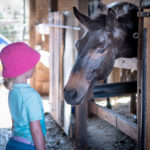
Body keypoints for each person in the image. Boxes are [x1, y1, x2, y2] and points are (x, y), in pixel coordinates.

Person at [0, 42, 46, 150]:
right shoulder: (32, 96)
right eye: (32, 63)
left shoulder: (12, 92)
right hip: (28, 145)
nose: (34, 66)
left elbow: (14, 122)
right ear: (24, 68)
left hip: (13, 143)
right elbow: (35, 130)